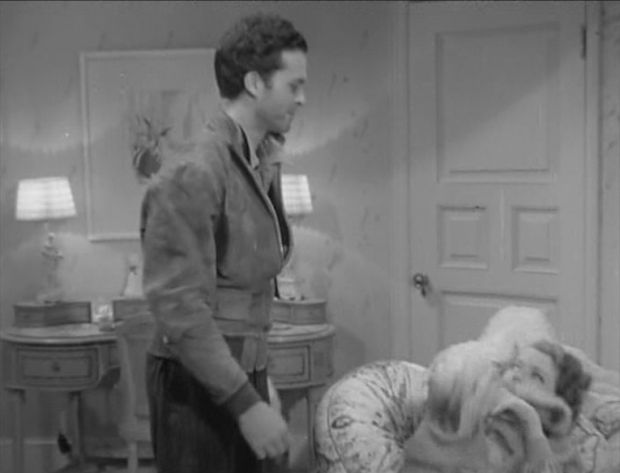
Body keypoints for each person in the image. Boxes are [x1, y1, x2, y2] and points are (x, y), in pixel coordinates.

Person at [139, 12, 308, 473]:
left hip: (236, 375)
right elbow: (178, 305)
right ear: (254, 83)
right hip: (193, 386)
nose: (302, 98)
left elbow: (246, 297)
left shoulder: (257, 160)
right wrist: (244, 403)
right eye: (293, 85)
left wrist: (256, 383)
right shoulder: (196, 170)